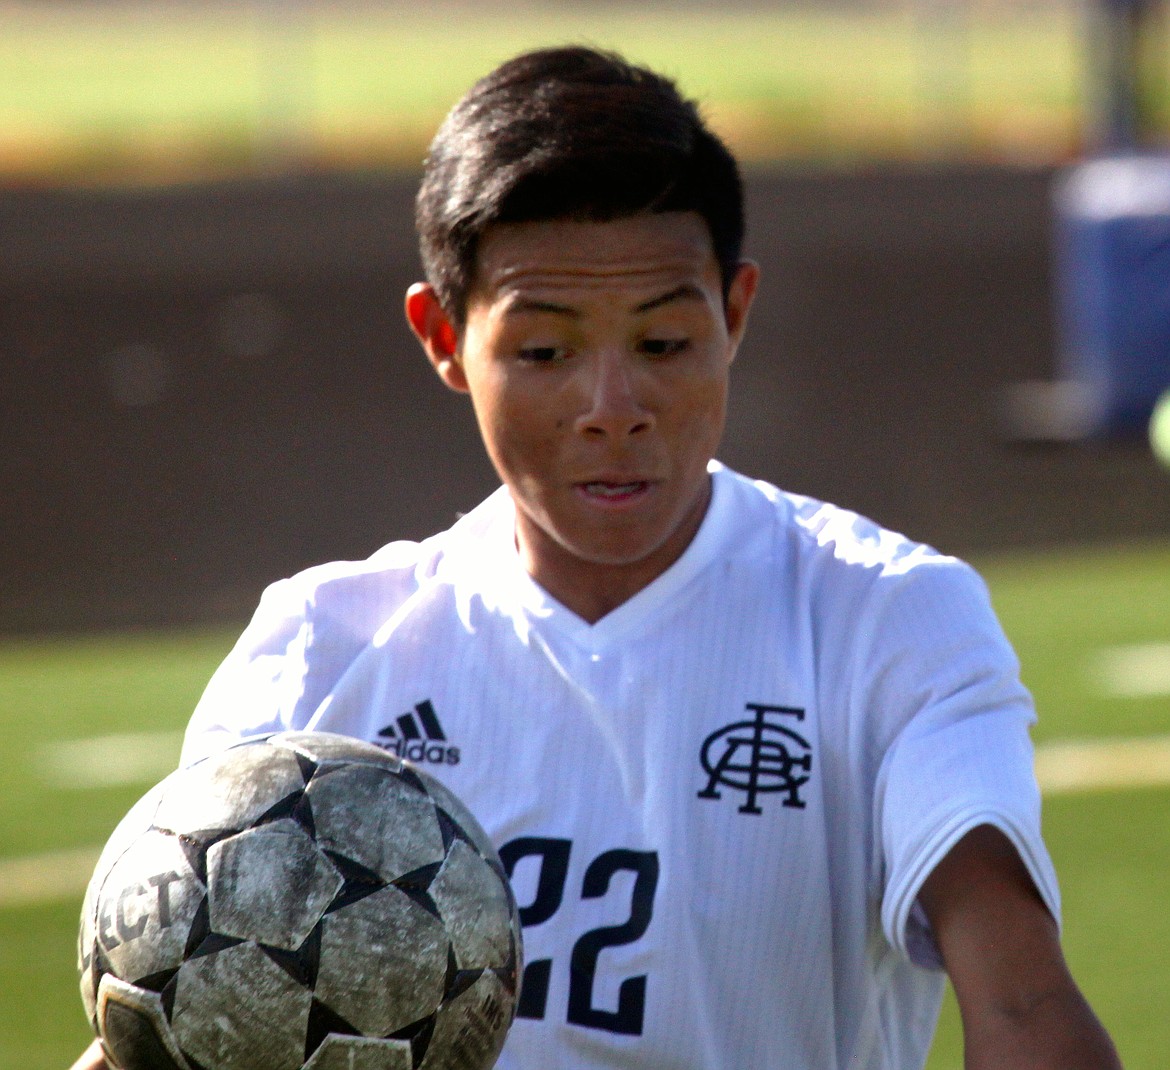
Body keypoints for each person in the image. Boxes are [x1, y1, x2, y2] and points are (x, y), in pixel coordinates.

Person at [73, 45, 1121, 1070]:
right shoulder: (318, 654)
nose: (611, 408)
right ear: (443, 335)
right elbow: (166, 1016)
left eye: (664, 344)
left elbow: (1024, 996)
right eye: (544, 351)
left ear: (736, 312)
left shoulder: (886, 618)